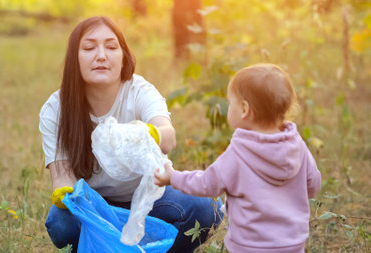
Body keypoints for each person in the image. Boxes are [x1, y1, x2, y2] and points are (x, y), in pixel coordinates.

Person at [38, 16, 222, 253]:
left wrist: (148, 133)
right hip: (96, 205)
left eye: (111, 47)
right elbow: (61, 175)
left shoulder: (139, 91)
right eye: (89, 48)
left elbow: (169, 137)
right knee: (61, 223)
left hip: (150, 198)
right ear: (75, 58)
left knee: (207, 207)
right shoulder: (56, 108)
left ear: (123, 55)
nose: (102, 55)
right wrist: (68, 197)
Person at [154, 63, 322, 253]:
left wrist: (172, 177)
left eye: (230, 102)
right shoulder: (297, 144)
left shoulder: (240, 152)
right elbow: (313, 184)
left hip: (250, 246)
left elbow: (206, 184)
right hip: (293, 243)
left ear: (244, 109)